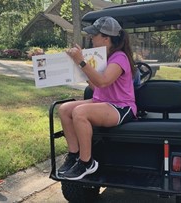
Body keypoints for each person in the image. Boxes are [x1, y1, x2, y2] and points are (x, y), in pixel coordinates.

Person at [57, 16, 137, 180]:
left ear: (106, 38)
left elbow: (103, 81)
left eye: (95, 35)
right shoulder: (102, 58)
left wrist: (81, 62)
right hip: (102, 102)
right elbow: (95, 87)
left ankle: (87, 163)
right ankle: (74, 154)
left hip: (121, 107)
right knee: (64, 110)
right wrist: (77, 65)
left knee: (80, 112)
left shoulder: (119, 57)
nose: (91, 38)